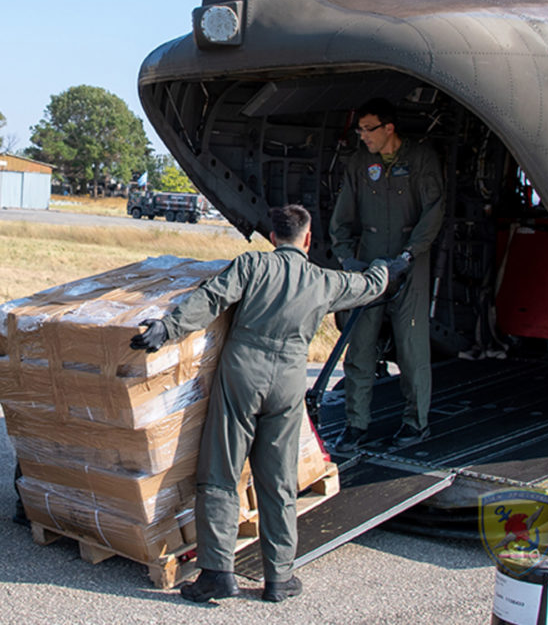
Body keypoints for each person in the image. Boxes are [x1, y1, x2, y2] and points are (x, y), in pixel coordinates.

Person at [130, 205, 401, 604]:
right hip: (288, 381)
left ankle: (217, 573)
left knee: (221, 472)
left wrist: (167, 328)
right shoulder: (324, 280)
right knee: (277, 480)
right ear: (308, 240)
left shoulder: (253, 265)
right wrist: (387, 268)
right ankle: (279, 577)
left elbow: (211, 298)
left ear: (273, 237)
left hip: (243, 375)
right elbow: (369, 286)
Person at [329, 97, 445, 452]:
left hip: (410, 264)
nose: (363, 136)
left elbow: (433, 212)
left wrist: (408, 256)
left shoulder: (420, 159)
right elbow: (342, 218)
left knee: (412, 348)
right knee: (360, 347)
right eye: (360, 130)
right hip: (369, 266)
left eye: (368, 129)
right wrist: (347, 259)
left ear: (388, 128)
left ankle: (415, 423)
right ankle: (355, 425)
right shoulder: (359, 163)